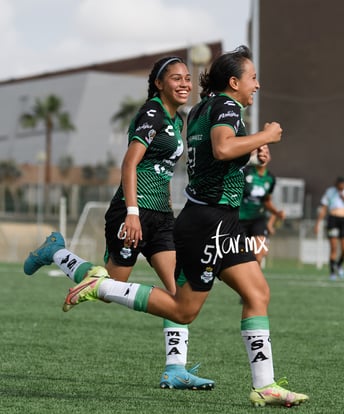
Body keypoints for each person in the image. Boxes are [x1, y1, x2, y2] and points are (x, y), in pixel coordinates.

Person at [25, 46, 308, 408]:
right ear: (234, 82)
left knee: (257, 294)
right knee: (182, 309)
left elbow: (213, 157)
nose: (258, 85)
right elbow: (220, 150)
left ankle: (254, 384)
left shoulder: (198, 111)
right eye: (253, 78)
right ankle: (100, 284)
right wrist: (265, 136)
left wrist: (250, 151)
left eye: (188, 78)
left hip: (200, 218)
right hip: (201, 221)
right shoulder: (220, 107)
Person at [24, 56, 214, 390]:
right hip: (132, 212)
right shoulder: (151, 114)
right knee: (110, 285)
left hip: (162, 218)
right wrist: (132, 212)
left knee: (176, 293)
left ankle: (175, 370)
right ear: (158, 83)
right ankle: (56, 252)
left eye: (188, 78)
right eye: (176, 78)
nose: (184, 84)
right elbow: (129, 164)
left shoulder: (178, 118)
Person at [239, 144, 285, 266]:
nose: (263, 154)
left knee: (259, 254)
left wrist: (277, 213)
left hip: (257, 219)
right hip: (240, 219)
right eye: (259, 152)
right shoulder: (245, 172)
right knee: (239, 257)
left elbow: (267, 201)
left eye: (266, 152)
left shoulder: (270, 179)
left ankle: (253, 282)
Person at [314, 176, 344, 280]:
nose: (341, 188)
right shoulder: (330, 192)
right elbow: (324, 208)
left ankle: (339, 265)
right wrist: (317, 224)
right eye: (339, 187)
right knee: (333, 248)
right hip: (333, 219)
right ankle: (332, 272)